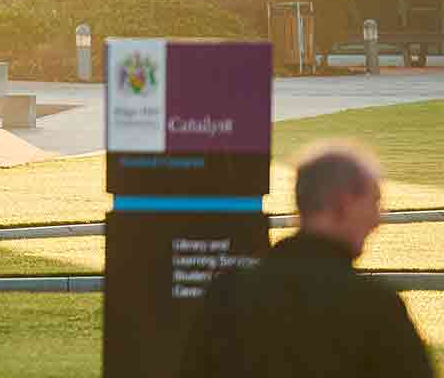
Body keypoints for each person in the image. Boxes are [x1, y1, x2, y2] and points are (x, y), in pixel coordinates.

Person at [179, 142, 432, 378]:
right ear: (342, 204)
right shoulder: (375, 306)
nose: (377, 221)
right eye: (374, 203)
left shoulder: (228, 295)